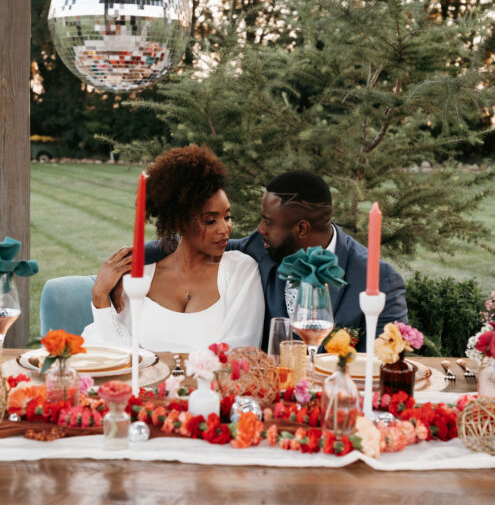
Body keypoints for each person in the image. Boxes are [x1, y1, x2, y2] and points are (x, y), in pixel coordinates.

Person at [148, 170, 407, 351]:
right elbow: (196, 244)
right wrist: (137, 254)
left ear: (302, 229)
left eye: (269, 222)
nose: (260, 228)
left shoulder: (378, 280)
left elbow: (380, 365)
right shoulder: (259, 247)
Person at [84, 146, 263, 351]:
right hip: (145, 383)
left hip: (211, 384)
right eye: (211, 220)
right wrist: (99, 297)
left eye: (228, 217)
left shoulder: (240, 270)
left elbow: (241, 352)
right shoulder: (140, 280)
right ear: (179, 222)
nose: (225, 229)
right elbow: (116, 356)